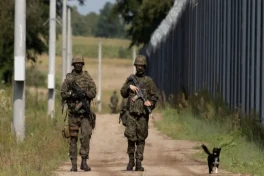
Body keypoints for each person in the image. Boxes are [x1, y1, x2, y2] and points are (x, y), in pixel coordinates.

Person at [120, 55, 159, 171]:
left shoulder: (149, 81)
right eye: (138, 65)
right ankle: (131, 161)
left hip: (142, 115)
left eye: (142, 66)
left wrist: (150, 103)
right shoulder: (130, 79)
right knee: (131, 139)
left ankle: (138, 162)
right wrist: (129, 87)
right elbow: (123, 93)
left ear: (145, 67)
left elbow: (155, 96)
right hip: (131, 115)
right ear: (135, 66)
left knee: (141, 139)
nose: (140, 67)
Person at [60, 55, 97, 172]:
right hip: (73, 114)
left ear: (83, 64)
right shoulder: (69, 79)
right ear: (73, 65)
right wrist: (72, 94)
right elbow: (62, 93)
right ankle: (74, 164)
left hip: (85, 114)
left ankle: (84, 162)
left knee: (86, 136)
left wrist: (85, 94)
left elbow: (93, 92)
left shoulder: (87, 77)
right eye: (76, 63)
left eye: (80, 63)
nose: (78, 65)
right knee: (73, 139)